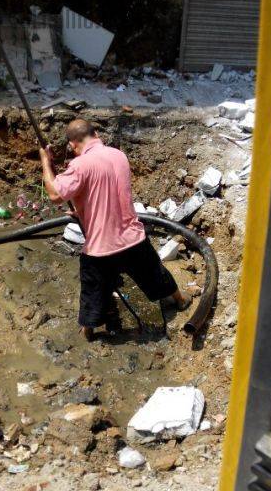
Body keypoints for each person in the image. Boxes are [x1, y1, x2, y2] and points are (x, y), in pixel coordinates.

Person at [39, 118, 190, 341]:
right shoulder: (118, 155)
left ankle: (89, 332)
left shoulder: (80, 166)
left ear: (73, 145)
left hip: (101, 247)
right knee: (154, 273)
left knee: (92, 291)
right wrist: (82, 211)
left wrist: (45, 162)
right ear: (96, 133)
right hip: (132, 237)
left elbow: (55, 195)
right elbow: (106, 193)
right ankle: (179, 300)